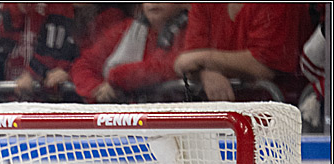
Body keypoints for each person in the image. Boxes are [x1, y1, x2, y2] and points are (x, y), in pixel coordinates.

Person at [173, 3, 315, 103]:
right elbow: (186, 62)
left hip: (281, 121)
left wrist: (204, 59)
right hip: (222, 121)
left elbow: (263, 66)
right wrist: (206, 74)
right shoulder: (204, 5)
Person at [70, 3, 188, 103]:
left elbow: (173, 66)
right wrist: (97, 89)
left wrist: (117, 78)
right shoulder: (125, 29)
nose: (154, 2)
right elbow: (83, 64)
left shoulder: (189, 30)